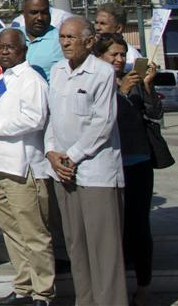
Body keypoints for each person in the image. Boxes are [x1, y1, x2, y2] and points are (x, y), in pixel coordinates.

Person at [44, 18, 127, 306]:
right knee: (76, 245)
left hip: (95, 172)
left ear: (89, 41)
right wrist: (52, 153)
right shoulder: (56, 71)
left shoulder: (102, 72)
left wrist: (73, 155)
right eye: (62, 37)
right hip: (63, 172)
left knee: (103, 249)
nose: (65, 42)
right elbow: (52, 117)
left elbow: (102, 122)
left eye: (71, 37)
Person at [0, 28, 55, 306]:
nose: (4, 52)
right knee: (13, 233)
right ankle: (23, 287)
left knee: (34, 233)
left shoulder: (31, 80)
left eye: (11, 47)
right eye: (1, 47)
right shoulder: (0, 79)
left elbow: (34, 119)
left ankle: (43, 293)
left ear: (23, 50)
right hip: (0, 165)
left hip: (23, 167)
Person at [93, 33, 159, 306]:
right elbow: (101, 119)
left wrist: (147, 87)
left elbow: (154, 114)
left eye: (123, 55)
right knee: (113, 228)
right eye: (114, 55)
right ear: (100, 56)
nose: (120, 60)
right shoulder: (96, 81)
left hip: (138, 161)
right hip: (108, 164)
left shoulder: (133, 80)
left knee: (139, 225)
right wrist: (120, 94)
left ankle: (143, 284)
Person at [0, 0, 62, 82]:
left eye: (44, 13)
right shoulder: (11, 35)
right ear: (23, 14)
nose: (40, 18)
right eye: (34, 12)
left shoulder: (62, 39)